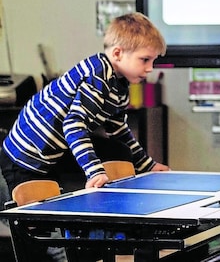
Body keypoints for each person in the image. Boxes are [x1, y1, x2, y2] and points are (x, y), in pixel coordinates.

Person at [0, 12, 170, 194]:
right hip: (24, 156)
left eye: (153, 61)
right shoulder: (98, 75)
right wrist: (94, 171)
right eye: (145, 59)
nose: (150, 68)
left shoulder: (119, 86)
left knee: (119, 150)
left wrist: (148, 165)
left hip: (52, 152)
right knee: (34, 215)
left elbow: (119, 130)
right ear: (118, 53)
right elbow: (73, 125)